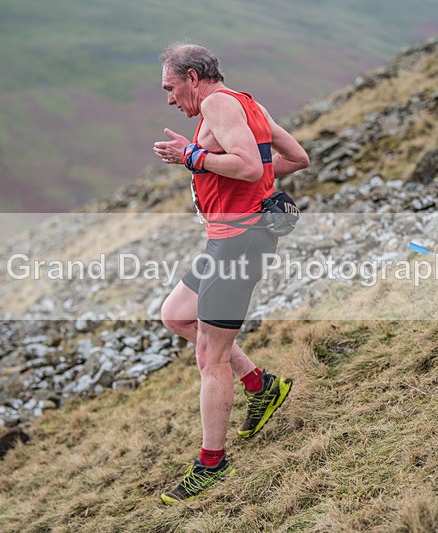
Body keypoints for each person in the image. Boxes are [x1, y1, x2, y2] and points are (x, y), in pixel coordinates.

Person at [153, 42, 310, 503]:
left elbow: (243, 164)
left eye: (170, 87)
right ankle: (262, 387)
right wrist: (259, 183)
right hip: (227, 237)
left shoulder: (219, 105)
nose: (169, 98)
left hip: (238, 241)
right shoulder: (247, 102)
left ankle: (212, 463)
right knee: (178, 315)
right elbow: (296, 157)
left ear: (193, 79)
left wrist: (192, 158)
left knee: (210, 358)